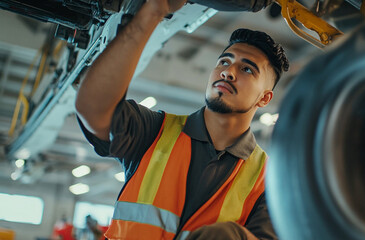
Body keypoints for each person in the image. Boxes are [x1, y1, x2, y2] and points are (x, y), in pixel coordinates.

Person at [75, 0, 289, 239]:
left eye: (247, 69)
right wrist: (152, 13)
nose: (228, 72)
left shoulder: (269, 180)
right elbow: (93, 108)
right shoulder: (153, 131)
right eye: (224, 62)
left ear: (265, 98)